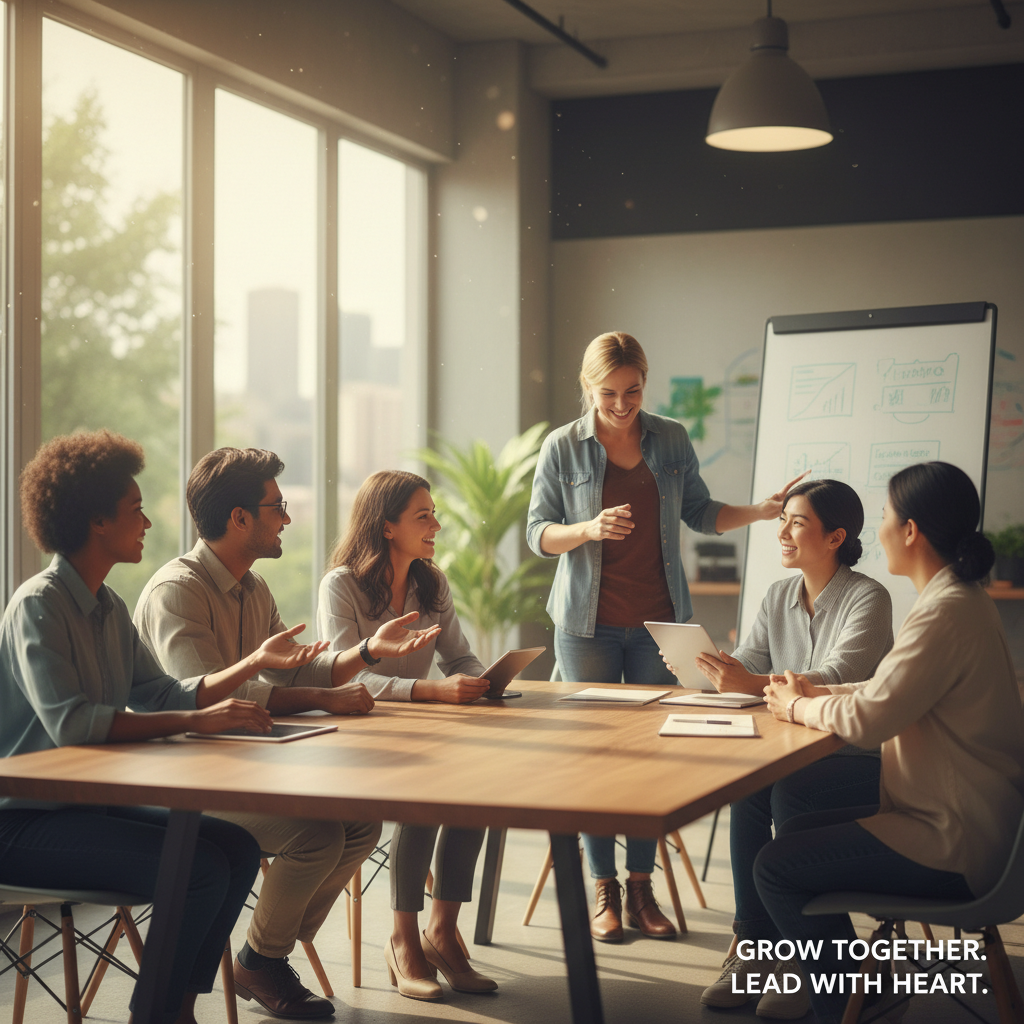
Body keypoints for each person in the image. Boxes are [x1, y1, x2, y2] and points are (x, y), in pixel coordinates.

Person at [135, 447, 441, 1019]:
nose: (288, 518)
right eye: (277, 507)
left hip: (242, 768)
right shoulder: (177, 591)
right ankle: (263, 958)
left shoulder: (253, 588)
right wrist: (323, 698)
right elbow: (210, 696)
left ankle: (264, 950)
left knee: (360, 823)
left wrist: (368, 651)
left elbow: (297, 669)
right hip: (183, 781)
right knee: (317, 837)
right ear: (239, 518)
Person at [526, 330, 808, 943]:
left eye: (632, 391)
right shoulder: (562, 446)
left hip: (660, 623)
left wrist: (761, 512)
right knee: (596, 760)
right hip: (586, 626)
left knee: (652, 756)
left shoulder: (671, 438)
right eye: (608, 393)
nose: (621, 405)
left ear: (644, 384)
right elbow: (537, 533)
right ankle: (604, 887)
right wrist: (587, 528)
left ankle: (640, 886)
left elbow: (700, 513)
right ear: (587, 387)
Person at [0, 430, 291, 1024]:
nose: (148, 524)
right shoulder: (38, 605)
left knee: (235, 848)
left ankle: (175, 1010)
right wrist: (198, 719)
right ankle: (155, 1016)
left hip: (85, 808)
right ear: (97, 521)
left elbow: (159, 691)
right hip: (20, 822)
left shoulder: (108, 607)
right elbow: (73, 725)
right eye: (135, 510)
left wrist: (247, 669)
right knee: (200, 869)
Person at [754, 462, 1024, 1024]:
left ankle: (845, 1006)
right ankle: (858, 988)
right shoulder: (957, 599)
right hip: (968, 820)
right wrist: (815, 691)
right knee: (795, 827)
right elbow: (888, 689)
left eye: (883, 517)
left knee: (776, 866)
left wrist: (798, 706)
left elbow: (871, 719)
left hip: (955, 840)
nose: (876, 531)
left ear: (911, 530)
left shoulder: (944, 612)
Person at [691, 478, 893, 1018]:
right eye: (782, 520)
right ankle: (753, 947)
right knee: (750, 788)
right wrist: (713, 666)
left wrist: (751, 682)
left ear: (835, 537)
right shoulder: (779, 594)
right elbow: (750, 661)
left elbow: (838, 675)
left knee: (789, 793)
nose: (781, 532)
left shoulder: (868, 597)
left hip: (857, 758)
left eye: (796, 522)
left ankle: (803, 959)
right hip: (791, 749)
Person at [318, 470, 496, 1002]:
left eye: (433, 514)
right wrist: (430, 691)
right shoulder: (341, 585)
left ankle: (442, 931)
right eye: (424, 516)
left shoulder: (431, 583)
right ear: (387, 526)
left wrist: (487, 680)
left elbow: (459, 657)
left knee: (479, 788)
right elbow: (344, 676)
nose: (436, 525)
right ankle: (402, 939)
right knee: (426, 795)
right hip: (355, 735)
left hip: (420, 732)